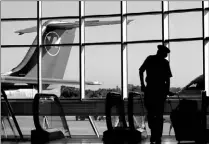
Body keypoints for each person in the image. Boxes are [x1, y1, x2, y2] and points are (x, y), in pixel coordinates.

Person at [139, 45, 172, 144]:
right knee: (159, 115)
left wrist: (142, 85)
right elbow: (168, 79)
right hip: (160, 92)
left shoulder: (150, 59)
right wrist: (167, 91)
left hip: (150, 90)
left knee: (151, 114)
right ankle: (157, 136)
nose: (166, 56)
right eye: (165, 54)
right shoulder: (165, 63)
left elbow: (141, 70)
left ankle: (154, 134)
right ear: (161, 53)